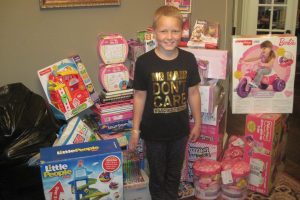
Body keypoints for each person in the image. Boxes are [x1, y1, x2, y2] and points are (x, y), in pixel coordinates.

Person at [128, 5, 201, 200]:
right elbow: (139, 96)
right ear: (153, 33)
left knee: (174, 174)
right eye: (164, 31)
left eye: (175, 31)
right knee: (157, 175)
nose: (169, 36)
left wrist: (198, 122)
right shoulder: (144, 63)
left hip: (179, 131)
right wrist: (135, 130)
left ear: (182, 32)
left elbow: (193, 93)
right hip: (153, 133)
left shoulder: (188, 59)